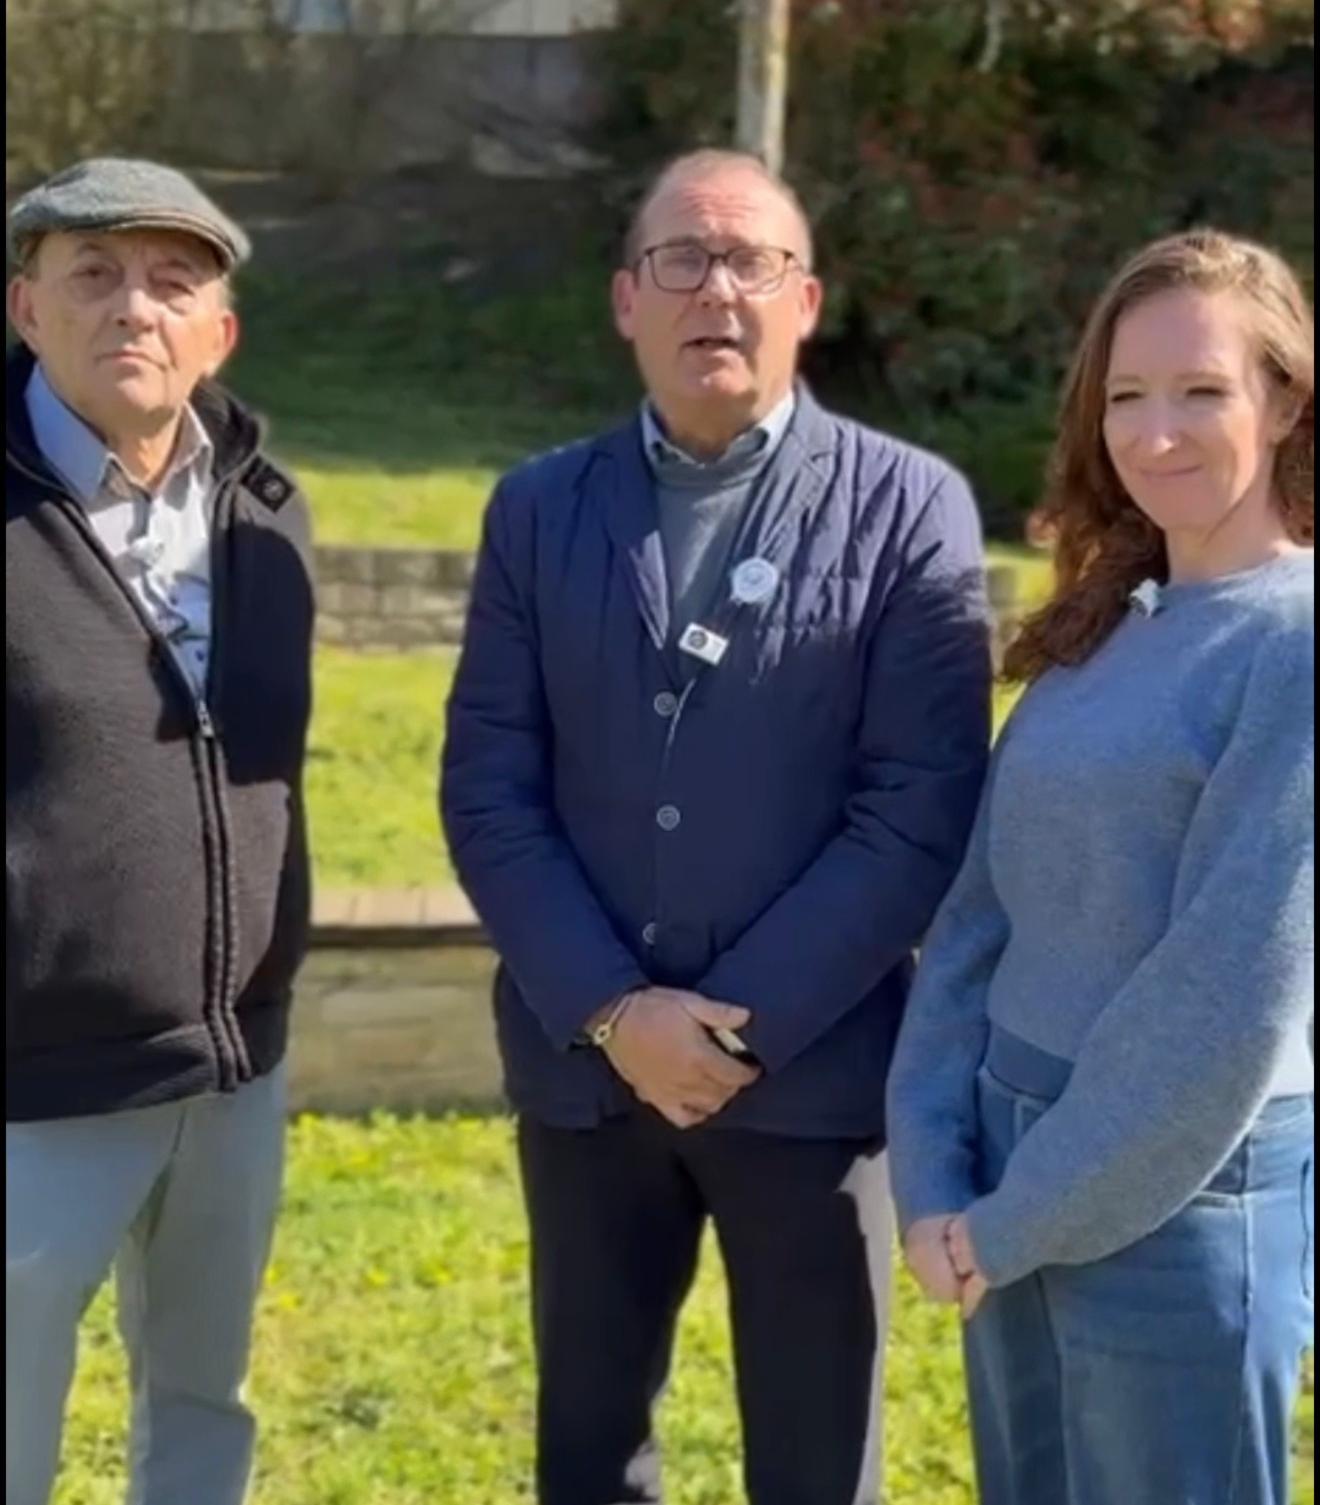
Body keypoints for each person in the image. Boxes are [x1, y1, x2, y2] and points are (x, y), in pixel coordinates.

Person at [441, 148, 992, 1505]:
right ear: (628, 299)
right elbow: (490, 785)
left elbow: (918, 806)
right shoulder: (537, 510)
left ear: (807, 301)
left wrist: (735, 1023)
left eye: (753, 261)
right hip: (587, 1078)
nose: (718, 290)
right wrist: (619, 1012)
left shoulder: (910, 505)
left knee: (816, 1457)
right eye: (682, 258)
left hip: (806, 1084)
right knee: (588, 1442)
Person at [888, 228, 1315, 1505]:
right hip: (1016, 1175)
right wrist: (932, 1165)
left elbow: (1223, 1000)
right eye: (1127, 396)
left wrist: (1011, 1219)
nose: (1158, 432)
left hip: (1174, 1197)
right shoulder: (1103, 629)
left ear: (1287, 399)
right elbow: (976, 918)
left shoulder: (1291, 647)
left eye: (1202, 390)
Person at [6, 158, 315, 1505]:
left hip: (231, 1071)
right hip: (33, 1085)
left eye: (172, 279)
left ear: (220, 332)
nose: (135, 305)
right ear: (26, 308)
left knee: (203, 1411)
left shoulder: (269, 513)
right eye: (94, 273)